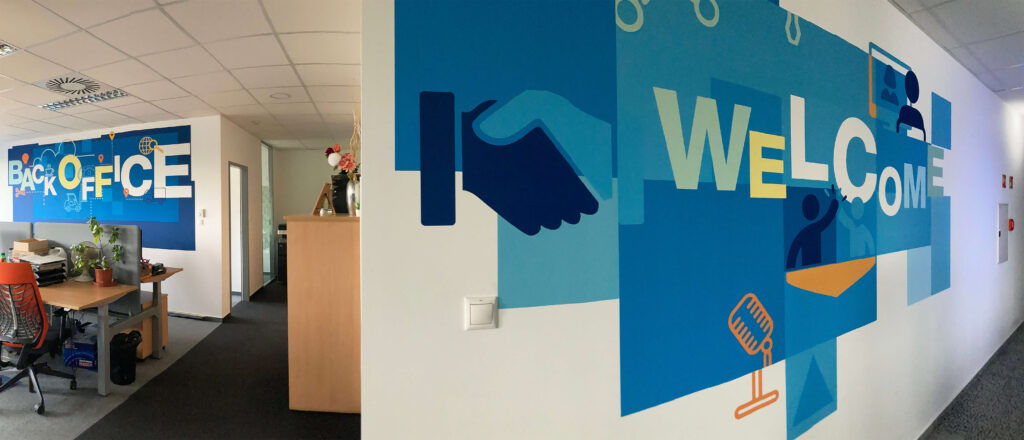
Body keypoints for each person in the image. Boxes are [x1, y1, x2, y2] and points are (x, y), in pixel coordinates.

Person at [787, 185, 846, 269]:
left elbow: (793, 253)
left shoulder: (805, 232)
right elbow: (828, 218)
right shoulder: (813, 229)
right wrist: (835, 201)